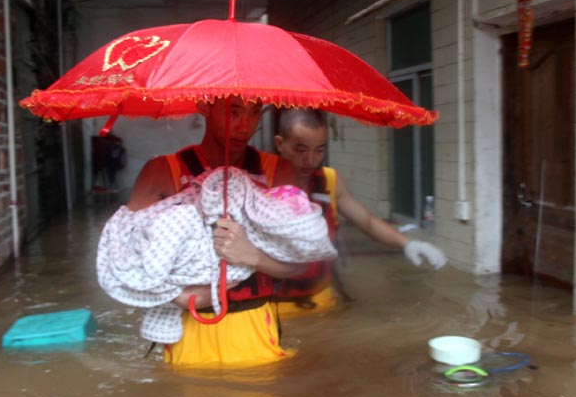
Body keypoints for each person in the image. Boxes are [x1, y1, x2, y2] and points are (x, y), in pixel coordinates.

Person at [127, 96, 308, 366]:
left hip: (256, 327)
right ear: (204, 106)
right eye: (233, 112)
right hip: (187, 329)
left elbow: (299, 264)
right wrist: (176, 297)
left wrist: (253, 256)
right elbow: (126, 263)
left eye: (254, 112)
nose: (245, 126)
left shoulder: (277, 173)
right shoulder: (163, 172)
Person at [272, 108, 446, 314]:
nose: (311, 159)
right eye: (301, 150)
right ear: (280, 144)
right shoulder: (261, 182)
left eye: (319, 150)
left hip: (323, 302)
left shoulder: (329, 181)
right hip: (275, 310)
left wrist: (408, 243)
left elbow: (368, 222)